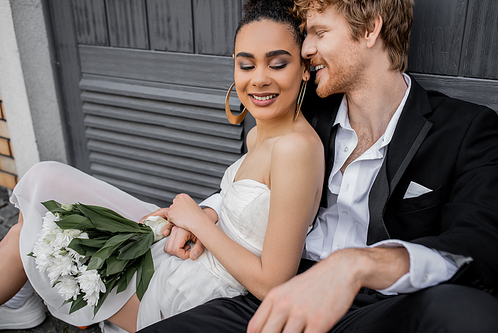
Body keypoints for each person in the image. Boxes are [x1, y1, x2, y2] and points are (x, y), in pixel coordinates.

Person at [139, 0, 498, 332]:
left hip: (378, 309)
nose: (306, 49)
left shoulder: (466, 129)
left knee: (466, 311)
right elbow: (259, 175)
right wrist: (207, 212)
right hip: (276, 295)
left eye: (319, 33)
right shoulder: (304, 106)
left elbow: (481, 244)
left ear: (371, 29)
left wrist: (357, 265)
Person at [0, 0, 324, 331]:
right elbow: (247, 210)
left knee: (22, 235)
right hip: (190, 248)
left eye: (277, 64)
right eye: (246, 65)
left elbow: (273, 283)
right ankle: (22, 297)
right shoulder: (259, 135)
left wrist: (198, 222)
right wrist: (203, 215)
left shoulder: (295, 149)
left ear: (304, 67)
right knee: (43, 183)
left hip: (198, 288)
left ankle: (20, 299)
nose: (259, 79)